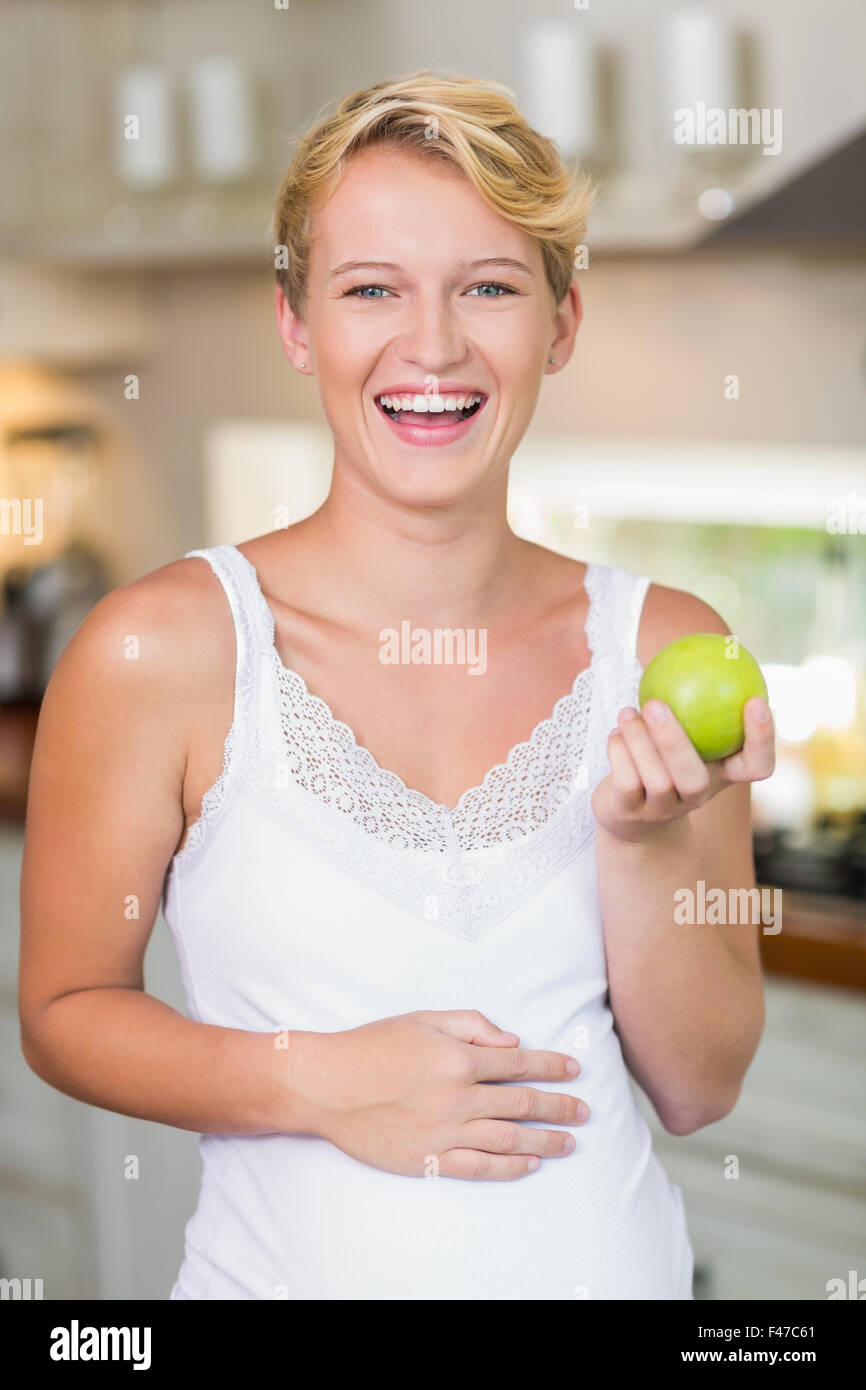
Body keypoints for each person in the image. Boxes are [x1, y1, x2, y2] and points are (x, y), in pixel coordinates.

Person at [19, 69, 773, 1300]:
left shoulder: (666, 645)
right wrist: (312, 1080)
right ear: (297, 324)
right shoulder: (161, 649)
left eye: (488, 287)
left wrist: (643, 843)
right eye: (372, 290)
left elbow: (700, 1086)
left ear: (559, 324)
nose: (431, 346)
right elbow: (62, 1008)